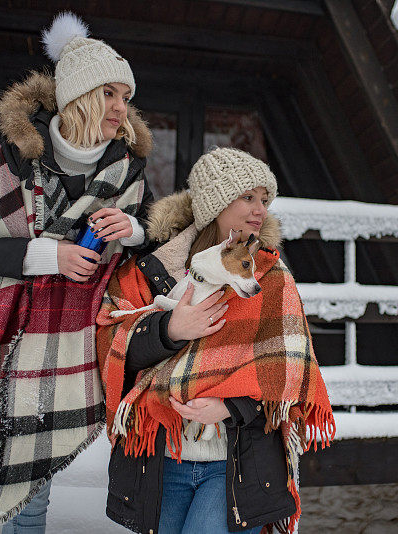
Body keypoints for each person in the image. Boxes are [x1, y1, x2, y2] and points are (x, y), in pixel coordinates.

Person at [0, 12, 154, 534]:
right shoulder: (8, 156)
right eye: (109, 94)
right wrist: (46, 256)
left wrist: (133, 231)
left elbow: (157, 246)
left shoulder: (126, 174)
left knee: (30, 501)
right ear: (79, 97)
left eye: (125, 96)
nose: (122, 109)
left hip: (66, 357)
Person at [97, 147, 336, 534]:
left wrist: (229, 408)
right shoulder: (155, 269)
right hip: (161, 455)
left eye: (264, 199)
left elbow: (288, 384)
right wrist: (170, 329)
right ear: (215, 202)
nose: (260, 209)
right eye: (248, 197)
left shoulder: (270, 280)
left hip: (233, 462)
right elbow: (112, 349)